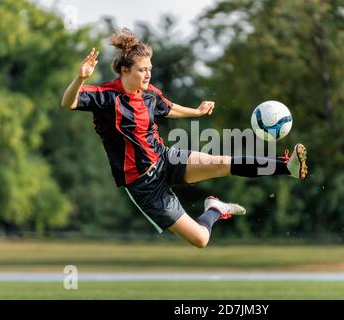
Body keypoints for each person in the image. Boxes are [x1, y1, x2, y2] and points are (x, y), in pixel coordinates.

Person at [61, 29, 308, 248]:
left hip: (164, 157)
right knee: (201, 239)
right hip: (143, 185)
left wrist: (196, 111)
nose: (148, 74)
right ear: (125, 70)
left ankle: (287, 167)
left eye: (150, 69)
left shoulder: (149, 94)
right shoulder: (105, 96)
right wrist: (80, 78)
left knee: (223, 163)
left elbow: (168, 107)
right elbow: (68, 102)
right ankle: (214, 209)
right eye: (142, 70)